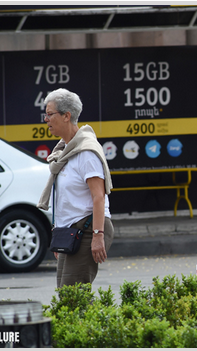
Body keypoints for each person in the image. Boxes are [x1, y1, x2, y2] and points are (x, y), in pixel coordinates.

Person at [37, 88, 114, 288]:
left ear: (66, 116)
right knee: (67, 294)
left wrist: (98, 236)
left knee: (73, 297)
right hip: (70, 231)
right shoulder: (64, 151)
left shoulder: (86, 152)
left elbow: (99, 197)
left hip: (88, 229)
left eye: (50, 114)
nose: (46, 119)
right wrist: (60, 234)